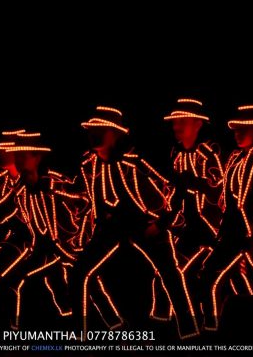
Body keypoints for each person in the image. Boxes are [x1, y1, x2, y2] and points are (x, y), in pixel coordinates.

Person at [69, 106, 200, 339]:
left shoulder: (134, 163)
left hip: (144, 224)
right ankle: (80, 336)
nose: (93, 134)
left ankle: (190, 333)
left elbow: (172, 189)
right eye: (91, 130)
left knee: (170, 274)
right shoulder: (89, 165)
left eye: (99, 130)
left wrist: (161, 224)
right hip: (109, 227)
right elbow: (85, 199)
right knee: (79, 273)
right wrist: (85, 231)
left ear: (114, 134)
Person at [0, 131, 92, 328]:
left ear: (37, 157)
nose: (14, 158)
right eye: (15, 154)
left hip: (63, 247)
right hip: (40, 247)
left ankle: (93, 329)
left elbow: (84, 202)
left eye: (20, 155)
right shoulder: (16, 186)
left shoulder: (53, 181)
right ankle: (11, 329)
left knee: (78, 288)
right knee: (47, 287)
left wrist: (79, 235)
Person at [198, 104, 253, 331]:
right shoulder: (236, 157)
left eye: (242, 129)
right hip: (233, 231)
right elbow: (224, 195)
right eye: (235, 129)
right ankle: (213, 327)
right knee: (210, 274)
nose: (236, 134)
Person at [148, 98, 224, 321]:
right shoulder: (177, 155)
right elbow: (175, 194)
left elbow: (218, 190)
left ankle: (213, 324)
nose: (176, 126)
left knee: (215, 278)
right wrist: (164, 219)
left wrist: (192, 182)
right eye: (175, 122)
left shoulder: (208, 153)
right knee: (167, 275)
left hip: (212, 230)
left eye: (182, 121)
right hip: (188, 229)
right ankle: (165, 323)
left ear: (198, 124)